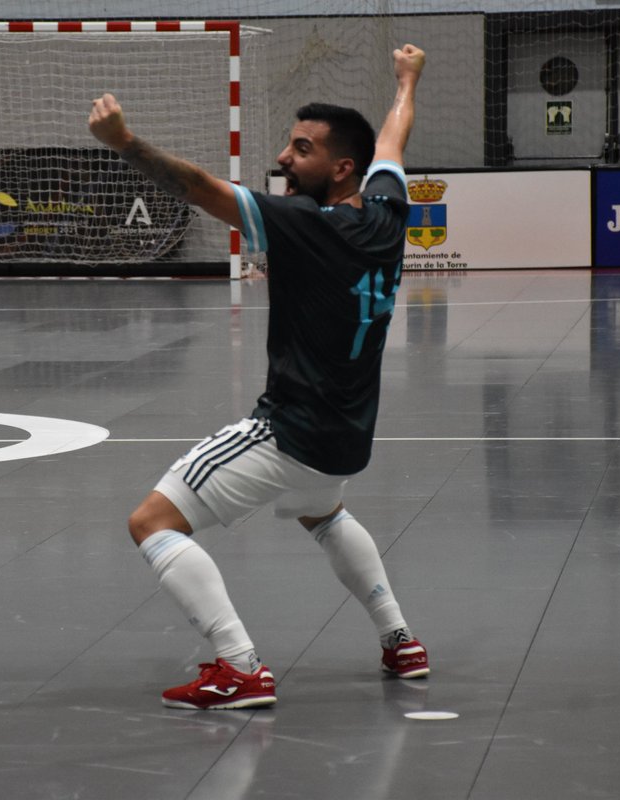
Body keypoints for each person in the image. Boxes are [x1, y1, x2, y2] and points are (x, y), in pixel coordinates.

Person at [89, 44, 428, 710]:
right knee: (322, 513)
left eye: (301, 149)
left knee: (152, 523)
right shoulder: (388, 213)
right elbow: (394, 138)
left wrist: (124, 142)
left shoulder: (301, 223)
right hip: (345, 437)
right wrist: (406, 82)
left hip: (289, 433)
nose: (283, 158)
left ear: (341, 168)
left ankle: (239, 666)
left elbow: (197, 187)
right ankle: (400, 640)